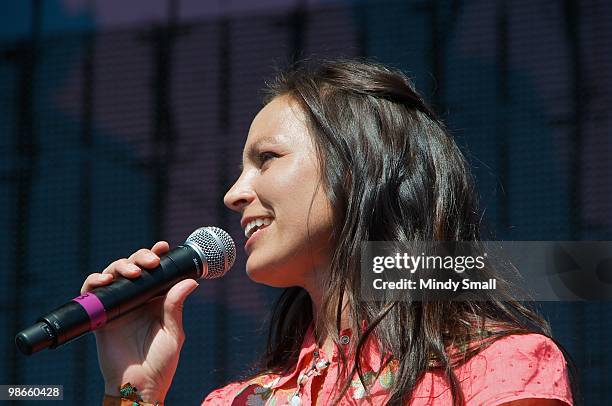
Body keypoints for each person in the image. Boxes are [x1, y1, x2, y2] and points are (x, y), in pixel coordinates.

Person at [82, 59, 576, 405]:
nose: (234, 194)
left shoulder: (497, 368)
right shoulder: (239, 401)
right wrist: (136, 392)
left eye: (266, 159)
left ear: (357, 168)